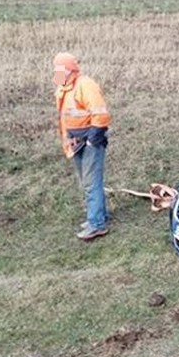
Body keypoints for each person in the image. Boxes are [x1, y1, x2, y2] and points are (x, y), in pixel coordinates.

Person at [53, 52, 111, 241]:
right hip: (76, 142)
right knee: (88, 183)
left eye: (58, 70)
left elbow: (101, 115)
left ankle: (96, 225)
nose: (55, 74)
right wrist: (69, 138)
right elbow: (65, 118)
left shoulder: (85, 85)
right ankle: (98, 217)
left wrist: (91, 141)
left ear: (69, 70)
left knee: (91, 183)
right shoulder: (64, 89)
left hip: (90, 141)